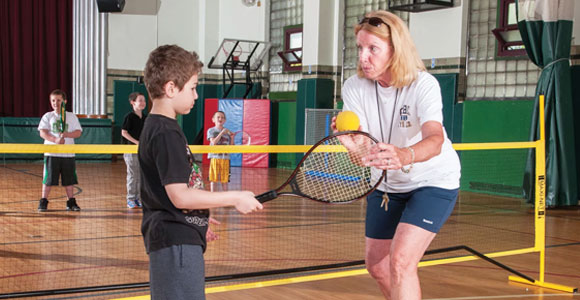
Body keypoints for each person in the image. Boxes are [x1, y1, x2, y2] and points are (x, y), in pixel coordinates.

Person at [334, 11, 461, 300]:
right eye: (360, 48)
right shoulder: (354, 87)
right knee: (377, 266)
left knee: (402, 262)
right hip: (387, 185)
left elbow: (435, 140)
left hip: (432, 180)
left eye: (373, 49)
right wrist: (352, 146)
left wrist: (405, 155)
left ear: (395, 50)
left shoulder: (423, 85)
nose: (364, 57)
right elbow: (363, 157)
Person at [139, 44, 263, 300]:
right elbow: (180, 196)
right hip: (176, 244)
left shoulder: (158, 127)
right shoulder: (165, 133)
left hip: (177, 236)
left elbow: (168, 193)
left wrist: (197, 219)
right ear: (171, 88)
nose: (196, 96)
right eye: (193, 88)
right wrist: (235, 197)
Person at [37, 89, 83, 212]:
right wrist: (54, 139)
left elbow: (78, 132)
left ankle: (71, 202)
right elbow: (43, 132)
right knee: (48, 179)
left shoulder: (72, 116)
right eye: (53, 100)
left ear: (65, 101)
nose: (55, 103)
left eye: (58, 100)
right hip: (51, 153)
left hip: (68, 154)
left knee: (69, 180)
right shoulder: (48, 116)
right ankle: (43, 201)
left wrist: (67, 135)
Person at [121, 92, 147, 208]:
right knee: (132, 175)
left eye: (144, 101)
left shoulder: (146, 118)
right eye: (140, 100)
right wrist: (136, 142)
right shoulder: (129, 117)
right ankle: (130, 198)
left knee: (141, 175)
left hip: (143, 151)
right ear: (133, 102)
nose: (143, 103)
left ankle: (139, 198)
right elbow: (124, 132)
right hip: (131, 150)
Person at [207, 111, 234, 192]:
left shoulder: (228, 132)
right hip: (215, 157)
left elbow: (231, 147)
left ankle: (225, 197)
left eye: (222, 117)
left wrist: (232, 137)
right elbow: (213, 142)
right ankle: (212, 196)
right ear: (213, 119)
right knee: (213, 179)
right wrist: (222, 132)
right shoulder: (211, 131)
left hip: (225, 158)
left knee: (224, 180)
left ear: (225, 120)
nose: (220, 119)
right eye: (218, 117)